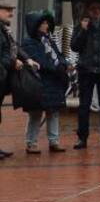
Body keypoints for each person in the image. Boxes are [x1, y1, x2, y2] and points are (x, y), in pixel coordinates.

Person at [70, 1, 100, 149]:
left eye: (98, 8)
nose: (96, 11)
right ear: (88, 11)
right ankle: (82, 138)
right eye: (92, 8)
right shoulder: (82, 26)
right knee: (84, 105)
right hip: (86, 70)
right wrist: (83, 30)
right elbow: (74, 47)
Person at [21, 11, 70, 153]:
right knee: (36, 114)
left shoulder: (49, 40)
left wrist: (64, 64)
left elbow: (59, 55)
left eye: (47, 23)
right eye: (43, 23)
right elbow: (40, 61)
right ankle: (31, 143)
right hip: (39, 82)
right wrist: (57, 68)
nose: (46, 25)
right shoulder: (29, 42)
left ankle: (54, 141)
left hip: (54, 82)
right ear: (35, 25)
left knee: (53, 112)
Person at [0, 0, 34, 159]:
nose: (11, 14)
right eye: (7, 10)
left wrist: (26, 58)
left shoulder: (4, 30)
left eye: (11, 10)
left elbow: (14, 47)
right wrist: (13, 62)